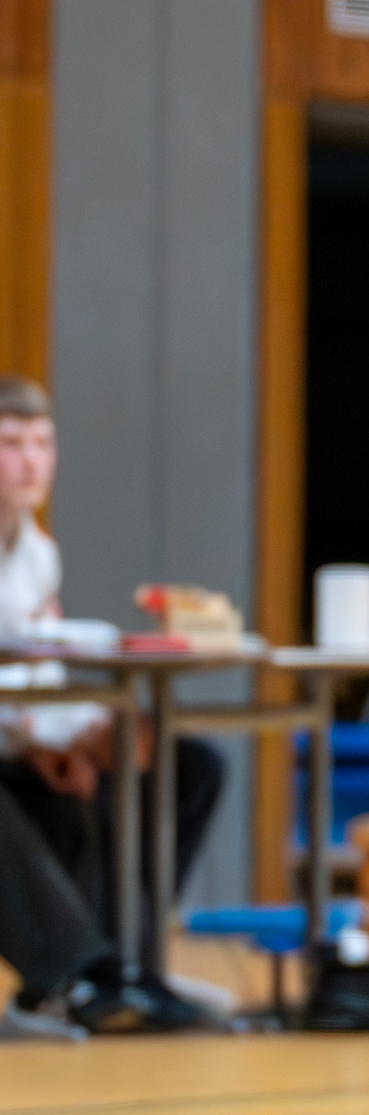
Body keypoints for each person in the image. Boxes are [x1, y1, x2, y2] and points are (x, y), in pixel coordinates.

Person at [0, 375, 218, 1030]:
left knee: (186, 768)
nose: (31, 462)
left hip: (23, 741)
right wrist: (39, 743)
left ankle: (127, 963)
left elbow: (37, 672)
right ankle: (77, 974)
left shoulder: (38, 554)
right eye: (12, 444)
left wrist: (83, 734)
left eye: (43, 443)